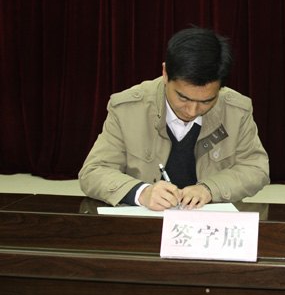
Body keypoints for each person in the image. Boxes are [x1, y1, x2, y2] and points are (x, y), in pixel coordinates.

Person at [79, 27, 270, 210]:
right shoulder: (128, 109)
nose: (192, 111)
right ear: (165, 73)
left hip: (210, 223)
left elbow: (255, 169)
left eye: (206, 101)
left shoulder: (237, 111)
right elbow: (94, 171)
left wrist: (210, 189)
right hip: (145, 219)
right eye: (183, 98)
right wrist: (142, 193)